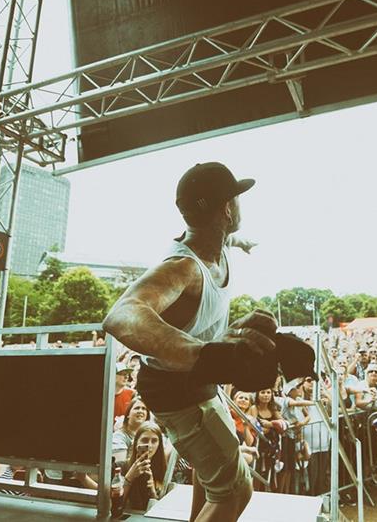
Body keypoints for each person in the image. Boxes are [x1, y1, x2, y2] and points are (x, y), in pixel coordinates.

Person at [104, 162, 276, 522]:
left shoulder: (218, 242)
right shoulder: (183, 268)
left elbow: (227, 238)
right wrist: (207, 353)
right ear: (227, 209)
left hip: (198, 384)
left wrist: (242, 242)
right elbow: (122, 315)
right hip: (176, 389)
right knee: (233, 489)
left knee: (210, 472)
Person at [123, 422, 168, 511]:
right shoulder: (122, 466)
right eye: (145, 440)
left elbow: (161, 510)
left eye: (154, 441)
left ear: (159, 444)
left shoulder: (163, 470)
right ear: (136, 443)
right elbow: (113, 504)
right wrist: (129, 478)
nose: (149, 445)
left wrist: (152, 491)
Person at [113, 397, 151, 465]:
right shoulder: (118, 436)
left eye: (144, 409)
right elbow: (120, 465)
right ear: (128, 414)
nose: (140, 411)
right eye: (137, 408)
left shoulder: (150, 435)